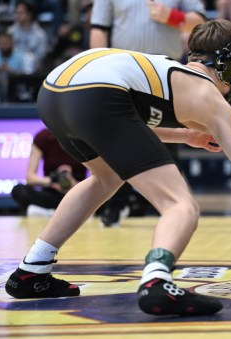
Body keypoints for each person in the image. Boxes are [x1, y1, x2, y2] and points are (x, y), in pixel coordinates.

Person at [4, 20, 231, 317]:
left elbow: (124, 120)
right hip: (99, 94)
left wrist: (185, 136)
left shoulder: (166, 70)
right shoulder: (209, 97)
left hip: (53, 92)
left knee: (106, 178)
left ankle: (31, 268)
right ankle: (157, 281)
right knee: (181, 205)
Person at [90, 0, 207, 226]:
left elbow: (199, 25)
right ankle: (115, 204)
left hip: (164, 72)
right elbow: (99, 29)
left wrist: (172, 16)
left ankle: (180, 206)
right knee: (119, 140)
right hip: (121, 72)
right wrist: (98, 65)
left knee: (170, 140)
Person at [11, 128, 87, 216]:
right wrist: (52, 181)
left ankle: (50, 212)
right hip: (51, 193)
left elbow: (99, 177)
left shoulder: (85, 136)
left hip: (79, 192)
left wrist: (74, 185)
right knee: (19, 190)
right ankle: (59, 212)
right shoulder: (43, 137)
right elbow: (30, 178)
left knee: (104, 194)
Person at [7, 1, 49, 67]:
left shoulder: (40, 34)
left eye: (21, 13)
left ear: (29, 15)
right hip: (12, 67)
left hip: (32, 69)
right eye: (16, 13)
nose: (17, 15)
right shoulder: (10, 32)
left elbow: (40, 57)